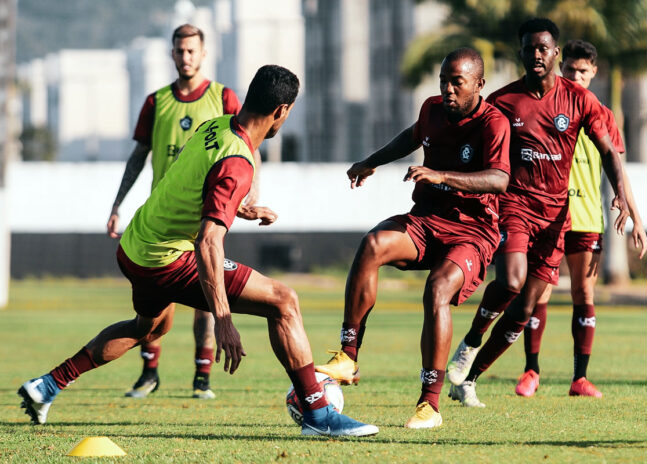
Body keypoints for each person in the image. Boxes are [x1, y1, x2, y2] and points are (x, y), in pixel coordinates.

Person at [18, 65, 379, 437]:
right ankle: (319, 416)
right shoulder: (238, 162)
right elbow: (208, 242)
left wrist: (240, 207)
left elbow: (191, 184)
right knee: (283, 301)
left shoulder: (216, 126)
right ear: (282, 111)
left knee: (147, 327)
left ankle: (47, 385)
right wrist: (223, 319)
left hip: (136, 246)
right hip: (167, 259)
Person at [314, 48, 511, 429]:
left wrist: (442, 176)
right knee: (372, 245)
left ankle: (429, 404)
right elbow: (413, 136)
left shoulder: (493, 123)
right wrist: (372, 160)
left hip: (472, 232)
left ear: (479, 85)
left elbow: (499, 179)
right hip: (426, 220)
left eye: (457, 82)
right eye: (443, 81)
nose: (448, 90)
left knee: (437, 289)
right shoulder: (432, 109)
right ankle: (348, 355)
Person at [446, 18, 629, 408]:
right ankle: (472, 340)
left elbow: (609, 151)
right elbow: (465, 139)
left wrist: (623, 196)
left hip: (556, 217)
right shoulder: (503, 101)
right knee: (511, 281)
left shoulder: (579, 99)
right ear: (522, 53)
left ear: (555, 53)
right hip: (515, 207)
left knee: (526, 307)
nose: (536, 55)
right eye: (529, 49)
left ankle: (470, 380)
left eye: (543, 48)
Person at [106, 24, 258, 400]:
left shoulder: (224, 98)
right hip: (161, 219)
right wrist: (118, 203)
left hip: (207, 213)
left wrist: (248, 200)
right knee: (156, 299)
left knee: (208, 294)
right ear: (171, 54)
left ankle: (201, 377)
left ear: (203, 53)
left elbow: (247, 150)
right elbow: (138, 156)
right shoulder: (156, 101)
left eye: (192, 50)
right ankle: (149, 373)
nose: (186, 57)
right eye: (179, 51)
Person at [515, 40, 647, 398]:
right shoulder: (545, 108)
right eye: (570, 70)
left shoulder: (602, 114)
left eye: (582, 72)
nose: (575, 76)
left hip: (588, 218)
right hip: (547, 217)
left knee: (583, 291)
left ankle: (580, 378)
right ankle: (531, 370)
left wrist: (636, 216)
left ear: (594, 74)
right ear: (561, 67)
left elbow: (617, 168)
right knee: (538, 291)